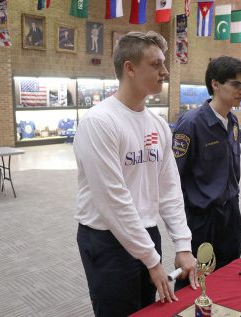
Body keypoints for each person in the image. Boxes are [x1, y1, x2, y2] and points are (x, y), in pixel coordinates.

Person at [73, 31, 197, 317]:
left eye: (163, 64)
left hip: (146, 233)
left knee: (147, 310)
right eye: (155, 64)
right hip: (107, 239)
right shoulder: (99, 122)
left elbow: (169, 188)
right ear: (129, 68)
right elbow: (112, 201)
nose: (165, 72)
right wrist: (153, 261)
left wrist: (182, 242)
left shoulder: (158, 125)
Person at [172, 56, 241, 290]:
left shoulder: (233, 122)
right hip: (202, 217)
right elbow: (173, 178)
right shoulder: (191, 123)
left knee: (229, 273)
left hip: (230, 213)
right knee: (194, 281)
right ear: (215, 84)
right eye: (236, 84)